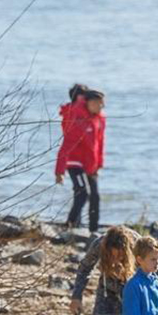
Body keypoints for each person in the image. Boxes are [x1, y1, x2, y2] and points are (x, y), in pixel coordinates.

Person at [56, 89, 106, 233]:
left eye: (102, 104)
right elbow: (66, 145)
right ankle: (69, 226)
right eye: (97, 103)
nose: (100, 106)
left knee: (95, 197)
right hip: (75, 163)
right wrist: (59, 171)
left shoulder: (98, 120)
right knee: (83, 193)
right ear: (88, 102)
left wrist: (99, 164)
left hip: (91, 165)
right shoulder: (78, 119)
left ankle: (93, 231)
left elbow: (100, 144)